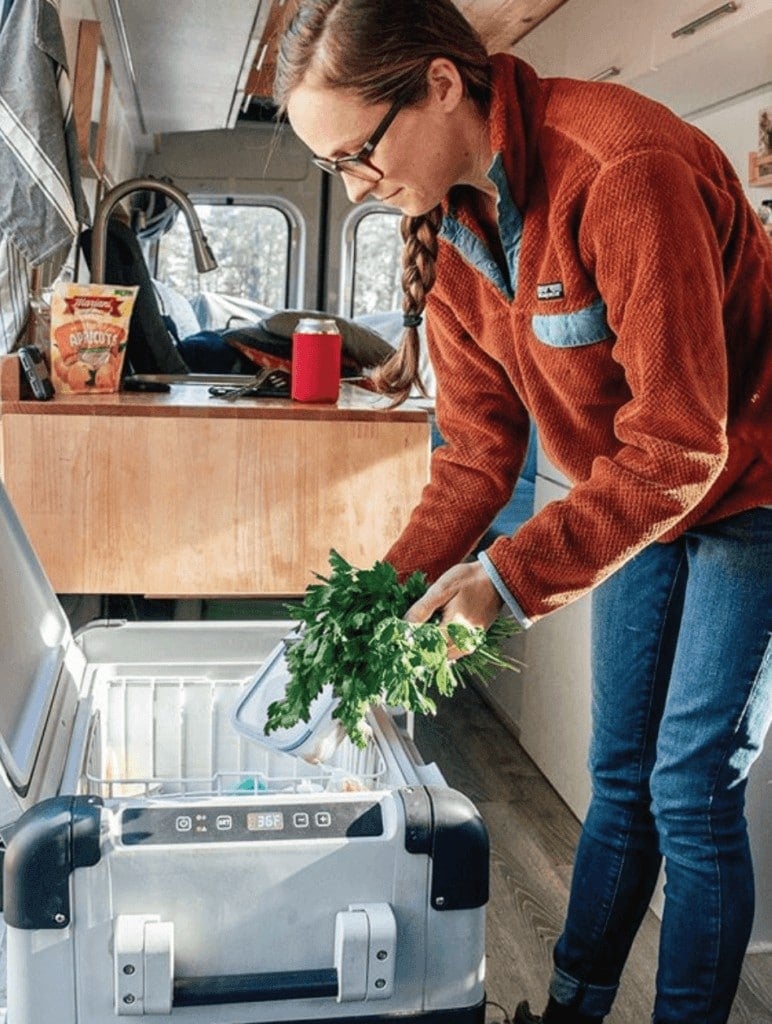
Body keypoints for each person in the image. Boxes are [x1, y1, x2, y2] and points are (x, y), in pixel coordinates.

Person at [274, 2, 772, 1022]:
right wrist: (382, 600)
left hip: (749, 480)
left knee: (686, 785)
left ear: (443, 85)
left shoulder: (619, 169)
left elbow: (681, 442)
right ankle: (571, 1007)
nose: (360, 190)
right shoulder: (452, 236)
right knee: (620, 770)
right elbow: (473, 458)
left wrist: (503, 578)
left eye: (360, 155)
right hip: (637, 496)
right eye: (336, 173)